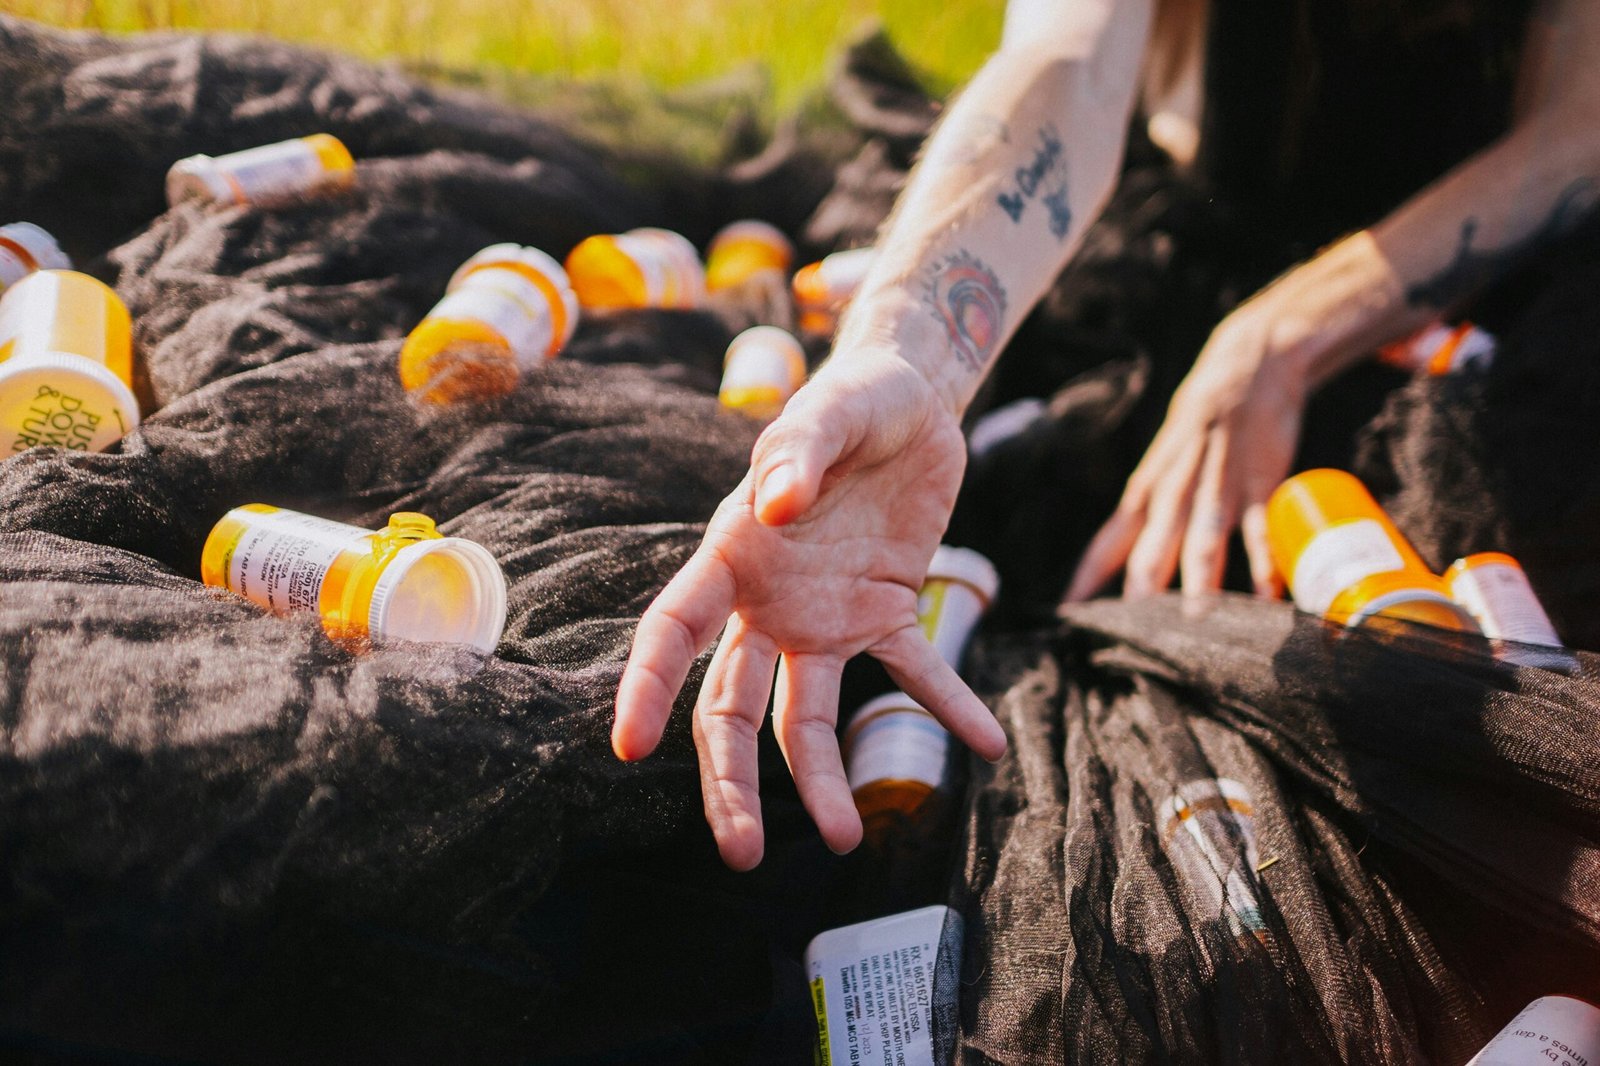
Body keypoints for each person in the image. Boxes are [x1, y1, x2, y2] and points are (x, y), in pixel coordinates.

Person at [613, 0, 1600, 869]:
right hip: (1176, 249)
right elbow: (1066, 66)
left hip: (1508, 299)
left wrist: (1281, 336)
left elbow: (1579, 124)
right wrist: (909, 351)